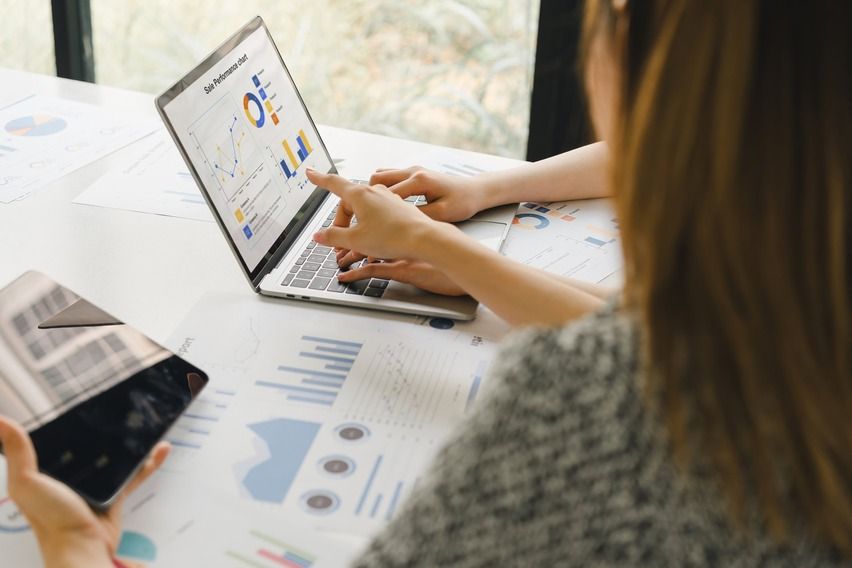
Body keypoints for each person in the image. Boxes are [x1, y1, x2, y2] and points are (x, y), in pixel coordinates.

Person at [2, 0, 851, 565]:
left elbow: (636, 363)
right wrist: (474, 220)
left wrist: (75, 552)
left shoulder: (595, 398)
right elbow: (671, 342)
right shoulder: (794, 327)